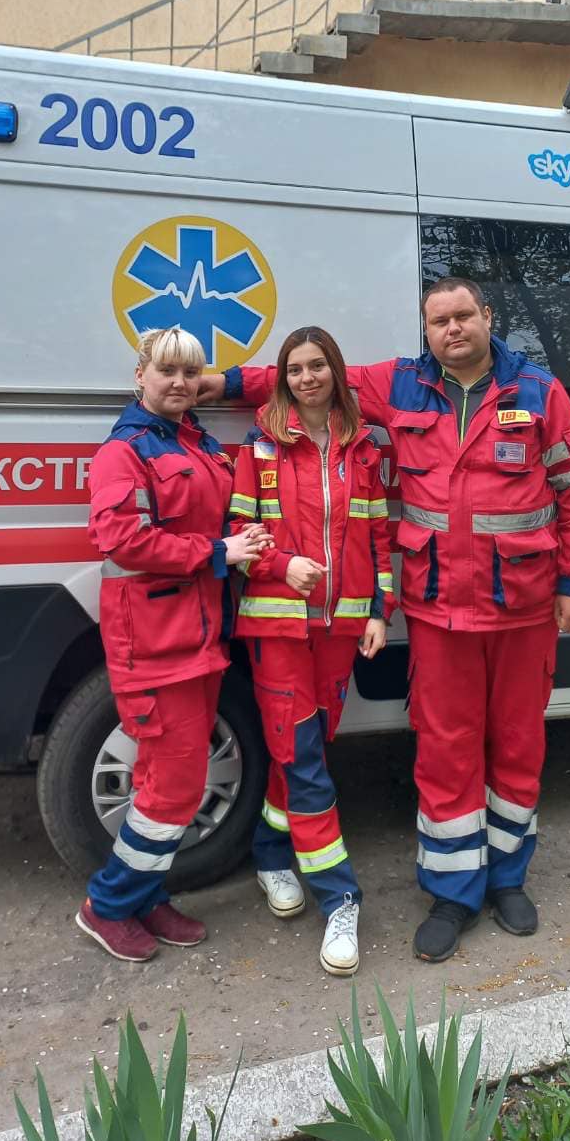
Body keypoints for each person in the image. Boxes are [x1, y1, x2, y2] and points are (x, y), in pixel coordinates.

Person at [201, 277, 570, 963]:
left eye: (463, 316)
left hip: (524, 607)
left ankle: (507, 880)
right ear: (426, 329)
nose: (452, 329)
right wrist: (220, 382)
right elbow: (312, 374)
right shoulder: (401, 385)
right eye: (439, 320)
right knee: (445, 749)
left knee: (517, 745)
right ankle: (452, 893)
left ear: (488, 316)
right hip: (440, 609)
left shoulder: (539, 392)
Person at [77, 325, 270, 962]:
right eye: (167, 371)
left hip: (198, 634)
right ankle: (107, 906)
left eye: (191, 373)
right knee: (176, 784)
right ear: (141, 376)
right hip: (156, 642)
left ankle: (146, 895)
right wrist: (219, 551)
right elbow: (123, 539)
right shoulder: (124, 451)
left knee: (161, 778)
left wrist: (244, 536)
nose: (181, 383)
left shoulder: (195, 441)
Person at [228, 326, 394, 978]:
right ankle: (340, 898)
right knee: (304, 760)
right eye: (294, 368)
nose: (306, 377)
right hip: (279, 629)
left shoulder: (363, 447)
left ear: (335, 371)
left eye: (316, 365)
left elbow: (379, 535)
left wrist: (379, 610)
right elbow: (240, 534)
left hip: (342, 630)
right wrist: (282, 565)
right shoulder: (261, 445)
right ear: (283, 378)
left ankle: (271, 854)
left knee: (303, 752)